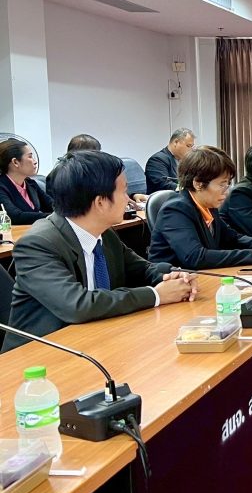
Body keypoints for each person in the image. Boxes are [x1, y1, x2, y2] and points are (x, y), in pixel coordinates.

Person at [1, 150, 195, 352]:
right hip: (40, 354)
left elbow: (142, 270)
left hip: (95, 340)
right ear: (100, 202)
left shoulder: (104, 233)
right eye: (124, 192)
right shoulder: (37, 245)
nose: (128, 200)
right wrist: (156, 295)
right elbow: (78, 305)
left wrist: (172, 277)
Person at [148, 146, 252, 269]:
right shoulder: (175, 210)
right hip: (176, 285)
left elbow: (233, 239)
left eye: (228, 184)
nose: (226, 190)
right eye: (222, 184)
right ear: (198, 183)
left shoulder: (208, 206)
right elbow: (195, 257)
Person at [65, 133, 149, 202]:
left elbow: (111, 194)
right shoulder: (67, 178)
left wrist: (133, 196)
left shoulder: (100, 172)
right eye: (96, 153)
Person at [0, 138, 53, 225]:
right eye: (30, 157)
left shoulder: (30, 183)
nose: (35, 162)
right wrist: (51, 217)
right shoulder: (2, 186)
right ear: (15, 162)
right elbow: (14, 216)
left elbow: (52, 206)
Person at [145, 128, 196, 193]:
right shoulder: (157, 160)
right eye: (188, 146)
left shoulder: (184, 161)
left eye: (192, 147)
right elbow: (163, 184)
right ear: (176, 142)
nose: (191, 150)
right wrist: (189, 190)